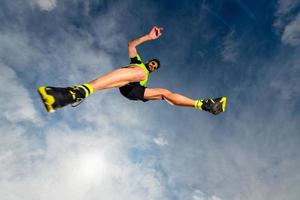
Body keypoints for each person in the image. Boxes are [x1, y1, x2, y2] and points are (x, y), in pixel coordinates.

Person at [38, 26, 226, 115]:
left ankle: (204, 104)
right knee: (139, 72)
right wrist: (148, 37)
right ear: (149, 61)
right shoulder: (140, 64)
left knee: (164, 93)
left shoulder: (145, 75)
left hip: (134, 90)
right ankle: (78, 92)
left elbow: (143, 81)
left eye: (154, 67)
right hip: (127, 80)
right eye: (152, 63)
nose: (152, 66)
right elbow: (131, 45)